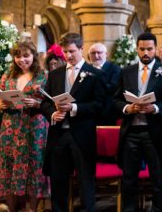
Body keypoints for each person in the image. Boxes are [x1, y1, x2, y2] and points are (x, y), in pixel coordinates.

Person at [40, 32, 107, 212]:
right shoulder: (55, 74)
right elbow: (45, 102)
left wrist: (75, 108)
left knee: (85, 180)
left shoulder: (94, 74)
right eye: (65, 52)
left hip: (82, 134)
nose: (68, 56)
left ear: (81, 49)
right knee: (58, 180)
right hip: (59, 134)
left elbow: (100, 105)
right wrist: (53, 114)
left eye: (71, 51)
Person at [113, 32, 162, 212]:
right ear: (136, 49)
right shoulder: (126, 72)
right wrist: (128, 108)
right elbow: (116, 100)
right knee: (129, 178)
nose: (146, 53)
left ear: (155, 49)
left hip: (154, 132)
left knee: (157, 177)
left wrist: (156, 108)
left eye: (149, 49)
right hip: (131, 132)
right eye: (142, 49)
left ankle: (158, 209)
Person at [0, 40, 49, 212]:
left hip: (34, 126)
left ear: (33, 56)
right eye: (18, 56)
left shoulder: (43, 75)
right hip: (11, 126)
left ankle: (33, 209)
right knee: (9, 164)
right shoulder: (8, 75)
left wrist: (37, 103)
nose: (22, 60)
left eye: (26, 56)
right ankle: (12, 208)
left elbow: (50, 102)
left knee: (34, 165)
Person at [88, 42, 121, 125]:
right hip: (89, 112)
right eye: (93, 53)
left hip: (108, 111)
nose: (96, 56)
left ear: (106, 54)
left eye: (99, 52)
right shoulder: (86, 68)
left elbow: (113, 87)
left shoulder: (114, 68)